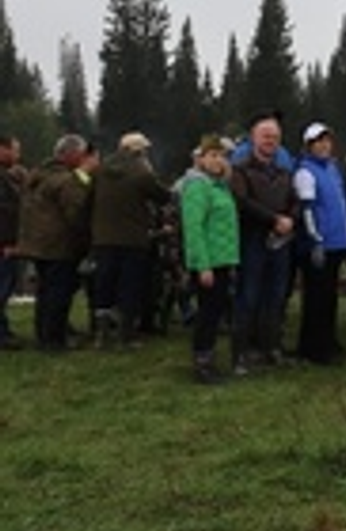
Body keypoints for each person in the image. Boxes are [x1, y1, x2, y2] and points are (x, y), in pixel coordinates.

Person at [88, 131, 170, 349]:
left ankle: (102, 334)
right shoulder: (141, 172)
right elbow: (162, 196)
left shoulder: (101, 170)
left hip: (103, 237)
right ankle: (127, 334)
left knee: (104, 285)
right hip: (133, 238)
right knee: (129, 286)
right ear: (139, 151)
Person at [230, 113, 298, 372]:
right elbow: (243, 202)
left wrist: (290, 219)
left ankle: (272, 348)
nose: (270, 140)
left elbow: (295, 200)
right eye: (265, 135)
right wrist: (273, 219)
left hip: (281, 242)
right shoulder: (240, 170)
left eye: (275, 137)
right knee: (248, 297)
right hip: (253, 239)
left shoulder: (284, 171)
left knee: (277, 296)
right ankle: (242, 353)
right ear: (253, 138)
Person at [16, 134, 94, 352]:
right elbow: (75, 212)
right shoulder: (66, 180)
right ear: (72, 154)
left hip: (37, 244)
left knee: (44, 293)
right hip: (59, 245)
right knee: (59, 294)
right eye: (82, 154)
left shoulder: (37, 174)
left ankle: (43, 335)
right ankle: (54, 340)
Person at [180, 135, 239, 383]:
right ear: (201, 159)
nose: (218, 160)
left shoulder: (220, 186)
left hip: (223, 258)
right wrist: (202, 265)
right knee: (207, 313)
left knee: (215, 313)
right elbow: (194, 228)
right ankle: (202, 362)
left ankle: (209, 357)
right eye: (212, 155)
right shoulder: (197, 187)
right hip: (209, 262)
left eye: (221, 156)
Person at [294, 123, 346, 364]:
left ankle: (328, 340)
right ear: (309, 146)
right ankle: (314, 348)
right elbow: (307, 209)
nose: (324, 146)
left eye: (327, 141)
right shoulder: (305, 172)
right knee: (316, 298)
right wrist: (315, 239)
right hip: (320, 244)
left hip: (337, 241)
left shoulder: (332, 168)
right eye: (318, 142)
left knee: (330, 296)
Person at [0, 133, 25, 351]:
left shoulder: (8, 175)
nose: (18, 155)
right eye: (15, 150)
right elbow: (4, 213)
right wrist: (7, 242)